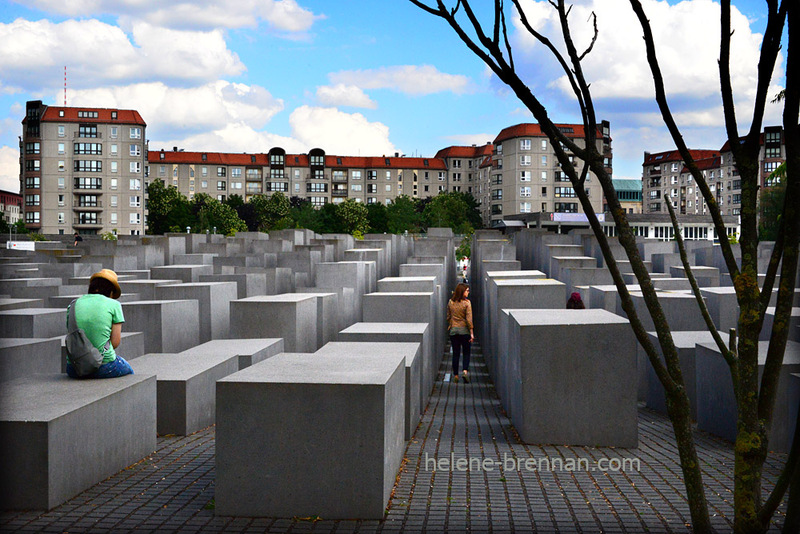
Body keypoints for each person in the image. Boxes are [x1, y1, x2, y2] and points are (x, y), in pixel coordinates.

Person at [66, 269, 133, 379]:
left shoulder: (73, 304)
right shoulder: (114, 304)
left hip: (74, 368)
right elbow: (115, 342)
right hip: (103, 366)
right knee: (129, 371)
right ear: (111, 291)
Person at [447, 282, 474, 383]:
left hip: (454, 331)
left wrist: (451, 325)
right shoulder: (467, 303)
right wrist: (471, 332)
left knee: (456, 353)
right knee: (466, 352)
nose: (468, 292)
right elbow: (469, 319)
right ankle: (465, 371)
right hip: (464, 331)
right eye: (467, 291)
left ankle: (456, 375)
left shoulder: (451, 302)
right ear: (462, 291)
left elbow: (448, 316)